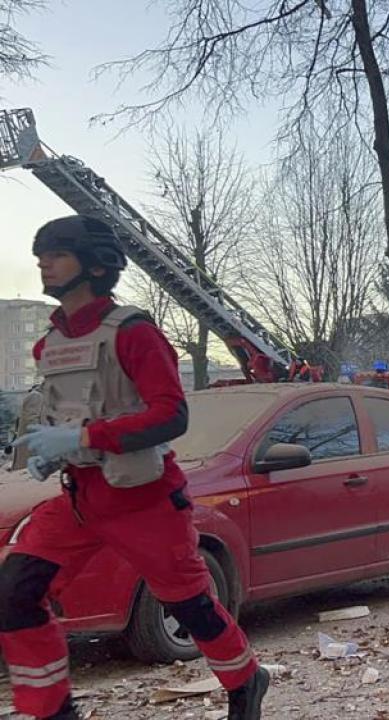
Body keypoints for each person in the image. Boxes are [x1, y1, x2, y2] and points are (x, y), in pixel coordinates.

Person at [1, 216, 269, 720]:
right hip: (80, 498)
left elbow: (172, 414)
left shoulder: (135, 333)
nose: (44, 261)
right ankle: (52, 711)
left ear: (96, 264)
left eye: (58, 252)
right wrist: (55, 451)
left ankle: (245, 679)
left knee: (189, 607)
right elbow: (73, 412)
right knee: (15, 591)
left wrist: (82, 438)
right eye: (41, 252)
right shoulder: (48, 346)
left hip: (144, 501)